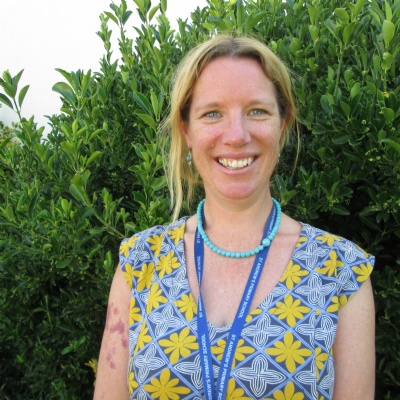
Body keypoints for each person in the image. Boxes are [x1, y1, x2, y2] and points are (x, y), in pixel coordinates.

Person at [94, 34, 375, 400]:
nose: (237, 135)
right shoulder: (140, 262)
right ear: (187, 130)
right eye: (212, 113)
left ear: (282, 124)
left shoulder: (340, 271)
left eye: (257, 111)